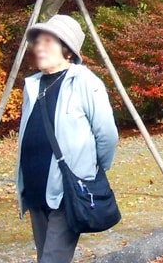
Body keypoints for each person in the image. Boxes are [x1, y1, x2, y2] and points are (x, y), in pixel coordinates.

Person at [16, 14, 119, 262]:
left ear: (68, 51)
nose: (39, 47)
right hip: (35, 188)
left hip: (67, 189)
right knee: (46, 256)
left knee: (52, 259)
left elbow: (106, 134)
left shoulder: (84, 81)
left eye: (48, 42)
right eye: (38, 42)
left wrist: (89, 171)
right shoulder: (32, 85)